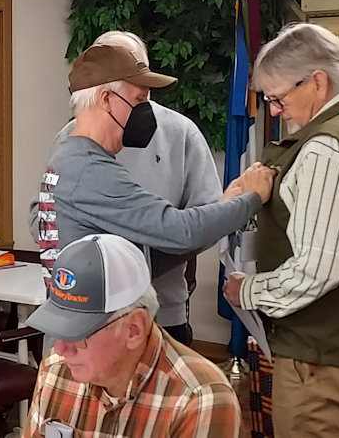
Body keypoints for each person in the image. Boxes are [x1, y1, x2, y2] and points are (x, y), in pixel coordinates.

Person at [223, 22, 339, 437]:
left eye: (277, 97)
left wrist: (247, 291)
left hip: (320, 363)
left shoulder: (325, 148)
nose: (273, 110)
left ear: (318, 82)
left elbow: (319, 269)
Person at [36, 41, 274, 307]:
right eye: (139, 100)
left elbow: (141, 261)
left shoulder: (70, 157)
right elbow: (180, 231)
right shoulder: (89, 171)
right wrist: (252, 198)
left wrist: (223, 210)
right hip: (92, 341)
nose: (147, 111)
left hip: (89, 332)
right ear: (106, 99)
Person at [30, 31, 223, 345]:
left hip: (163, 310)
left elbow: (207, 217)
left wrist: (145, 262)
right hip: (87, 313)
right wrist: (92, 257)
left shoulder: (180, 131)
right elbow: (42, 212)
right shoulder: (71, 136)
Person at [23, 233, 242, 437]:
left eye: (79, 334)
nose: (60, 349)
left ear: (134, 329)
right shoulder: (55, 369)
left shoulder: (199, 400)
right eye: (58, 329)